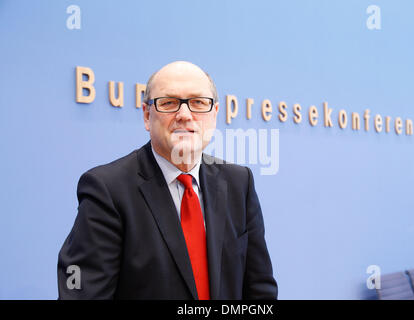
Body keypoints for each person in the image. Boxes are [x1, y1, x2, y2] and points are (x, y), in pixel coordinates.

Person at [57, 61, 277, 299]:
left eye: (198, 103)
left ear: (214, 115)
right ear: (146, 114)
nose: (184, 115)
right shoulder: (107, 189)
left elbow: (260, 289)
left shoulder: (238, 182)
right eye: (169, 103)